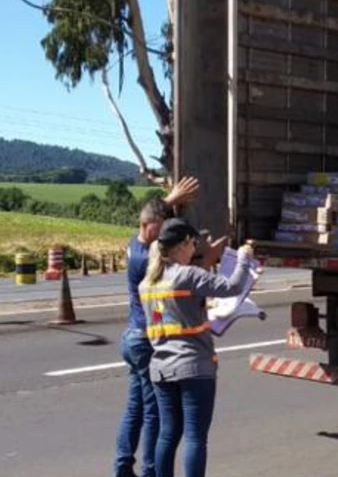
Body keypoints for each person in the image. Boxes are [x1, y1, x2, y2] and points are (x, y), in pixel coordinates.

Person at [114, 177, 225, 477]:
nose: (164, 235)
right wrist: (169, 200)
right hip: (145, 340)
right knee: (155, 416)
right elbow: (176, 280)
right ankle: (148, 471)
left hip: (136, 337)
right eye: (162, 226)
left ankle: (122, 467)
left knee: (136, 407)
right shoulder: (144, 258)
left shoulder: (134, 246)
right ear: (150, 226)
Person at [139, 218, 253, 477]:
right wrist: (244, 258)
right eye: (192, 243)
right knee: (195, 437)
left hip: (161, 369)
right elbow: (233, 286)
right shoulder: (188, 275)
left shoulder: (148, 283)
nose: (194, 249)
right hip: (193, 367)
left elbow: (174, 314)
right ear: (181, 246)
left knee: (167, 434)